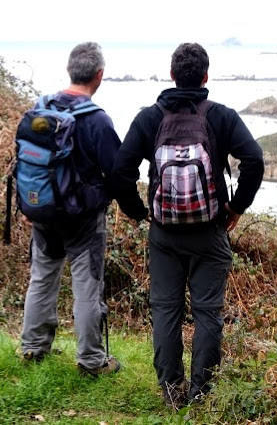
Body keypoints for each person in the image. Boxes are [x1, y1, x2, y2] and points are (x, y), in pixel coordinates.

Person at [111, 42, 264, 408]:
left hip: (164, 233)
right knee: (208, 311)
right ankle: (201, 393)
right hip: (210, 231)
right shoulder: (221, 117)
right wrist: (236, 206)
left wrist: (137, 211)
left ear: (172, 74)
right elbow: (254, 160)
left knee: (166, 309)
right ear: (206, 76)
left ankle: (170, 389)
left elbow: (119, 172)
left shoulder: (150, 118)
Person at [20, 41, 122, 376]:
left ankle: (33, 348)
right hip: (83, 220)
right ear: (99, 75)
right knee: (87, 287)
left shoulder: (41, 107)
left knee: (42, 279)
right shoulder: (98, 121)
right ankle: (91, 361)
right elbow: (118, 171)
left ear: (69, 70)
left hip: (43, 210)